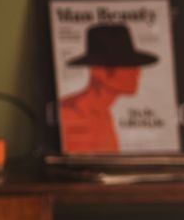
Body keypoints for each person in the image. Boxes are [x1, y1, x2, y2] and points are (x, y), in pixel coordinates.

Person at [58, 22, 159, 153]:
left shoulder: (105, 116)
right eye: (126, 65)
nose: (137, 72)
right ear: (99, 71)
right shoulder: (66, 112)